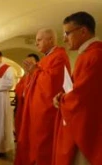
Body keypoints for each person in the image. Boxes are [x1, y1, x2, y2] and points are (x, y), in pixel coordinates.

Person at [52, 11, 102, 165]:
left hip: (89, 126)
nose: (65, 38)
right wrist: (62, 95)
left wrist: (62, 99)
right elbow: (77, 86)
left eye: (67, 33)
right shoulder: (87, 54)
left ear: (83, 31)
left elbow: (83, 95)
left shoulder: (96, 55)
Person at [15, 28, 71, 165]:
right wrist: (33, 72)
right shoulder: (47, 58)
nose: (36, 43)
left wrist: (35, 71)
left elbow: (53, 83)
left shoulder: (59, 56)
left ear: (51, 40)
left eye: (39, 40)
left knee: (43, 144)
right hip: (36, 109)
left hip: (47, 112)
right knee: (33, 142)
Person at [14, 53, 40, 141]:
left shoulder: (39, 75)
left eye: (30, 62)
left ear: (37, 63)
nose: (27, 65)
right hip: (22, 106)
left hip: (32, 107)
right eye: (26, 63)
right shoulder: (25, 76)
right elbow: (17, 89)